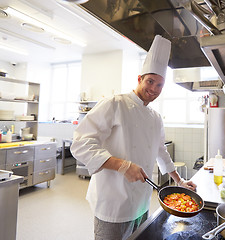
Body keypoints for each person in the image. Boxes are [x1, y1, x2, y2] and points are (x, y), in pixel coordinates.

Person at [70, 35, 197, 240]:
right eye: (150, 81)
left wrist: (179, 180)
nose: (154, 89)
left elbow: (160, 151)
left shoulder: (155, 117)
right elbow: (81, 143)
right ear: (139, 79)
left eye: (159, 85)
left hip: (141, 201)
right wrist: (122, 165)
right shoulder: (114, 104)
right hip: (113, 202)